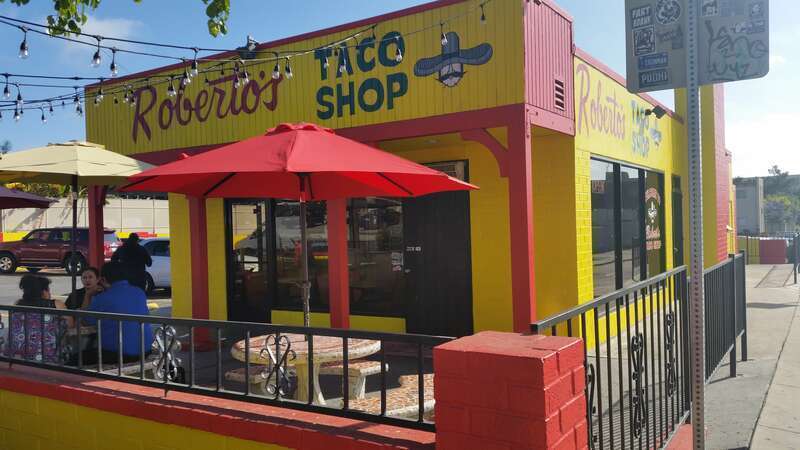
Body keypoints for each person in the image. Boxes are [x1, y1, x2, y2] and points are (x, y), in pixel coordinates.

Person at [72, 261, 152, 365]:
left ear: (103, 279)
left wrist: (88, 296)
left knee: (74, 359)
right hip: (145, 351)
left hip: (119, 354)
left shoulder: (102, 298)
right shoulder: (139, 292)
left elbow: (85, 321)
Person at [7, 275, 67, 363]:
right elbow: (70, 324)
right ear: (44, 291)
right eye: (48, 290)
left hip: (17, 354)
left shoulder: (18, 303)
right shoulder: (56, 304)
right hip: (48, 356)